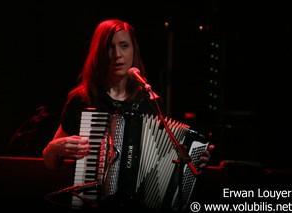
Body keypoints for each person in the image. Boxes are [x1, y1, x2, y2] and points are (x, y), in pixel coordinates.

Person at [42, 19, 214, 212]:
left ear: (134, 51)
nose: (117, 55)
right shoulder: (83, 99)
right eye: (110, 47)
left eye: (124, 46)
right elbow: (50, 162)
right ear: (99, 53)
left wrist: (193, 156)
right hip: (92, 203)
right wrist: (53, 148)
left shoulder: (150, 101)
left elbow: (169, 159)